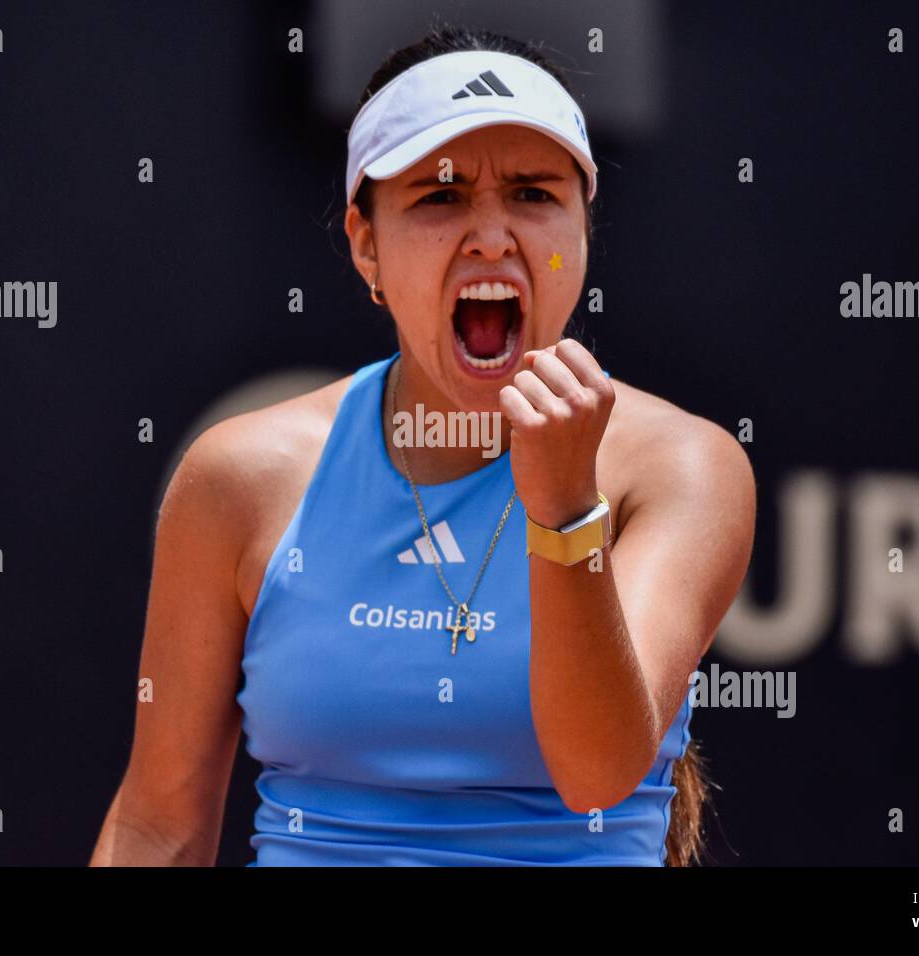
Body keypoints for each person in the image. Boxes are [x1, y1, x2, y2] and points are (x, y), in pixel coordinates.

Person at [91, 25, 755, 867]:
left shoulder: (683, 468)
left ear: (582, 233)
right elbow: (158, 825)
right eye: (439, 197)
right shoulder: (241, 476)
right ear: (367, 245)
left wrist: (560, 508)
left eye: (533, 193)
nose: (490, 236)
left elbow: (598, 773)